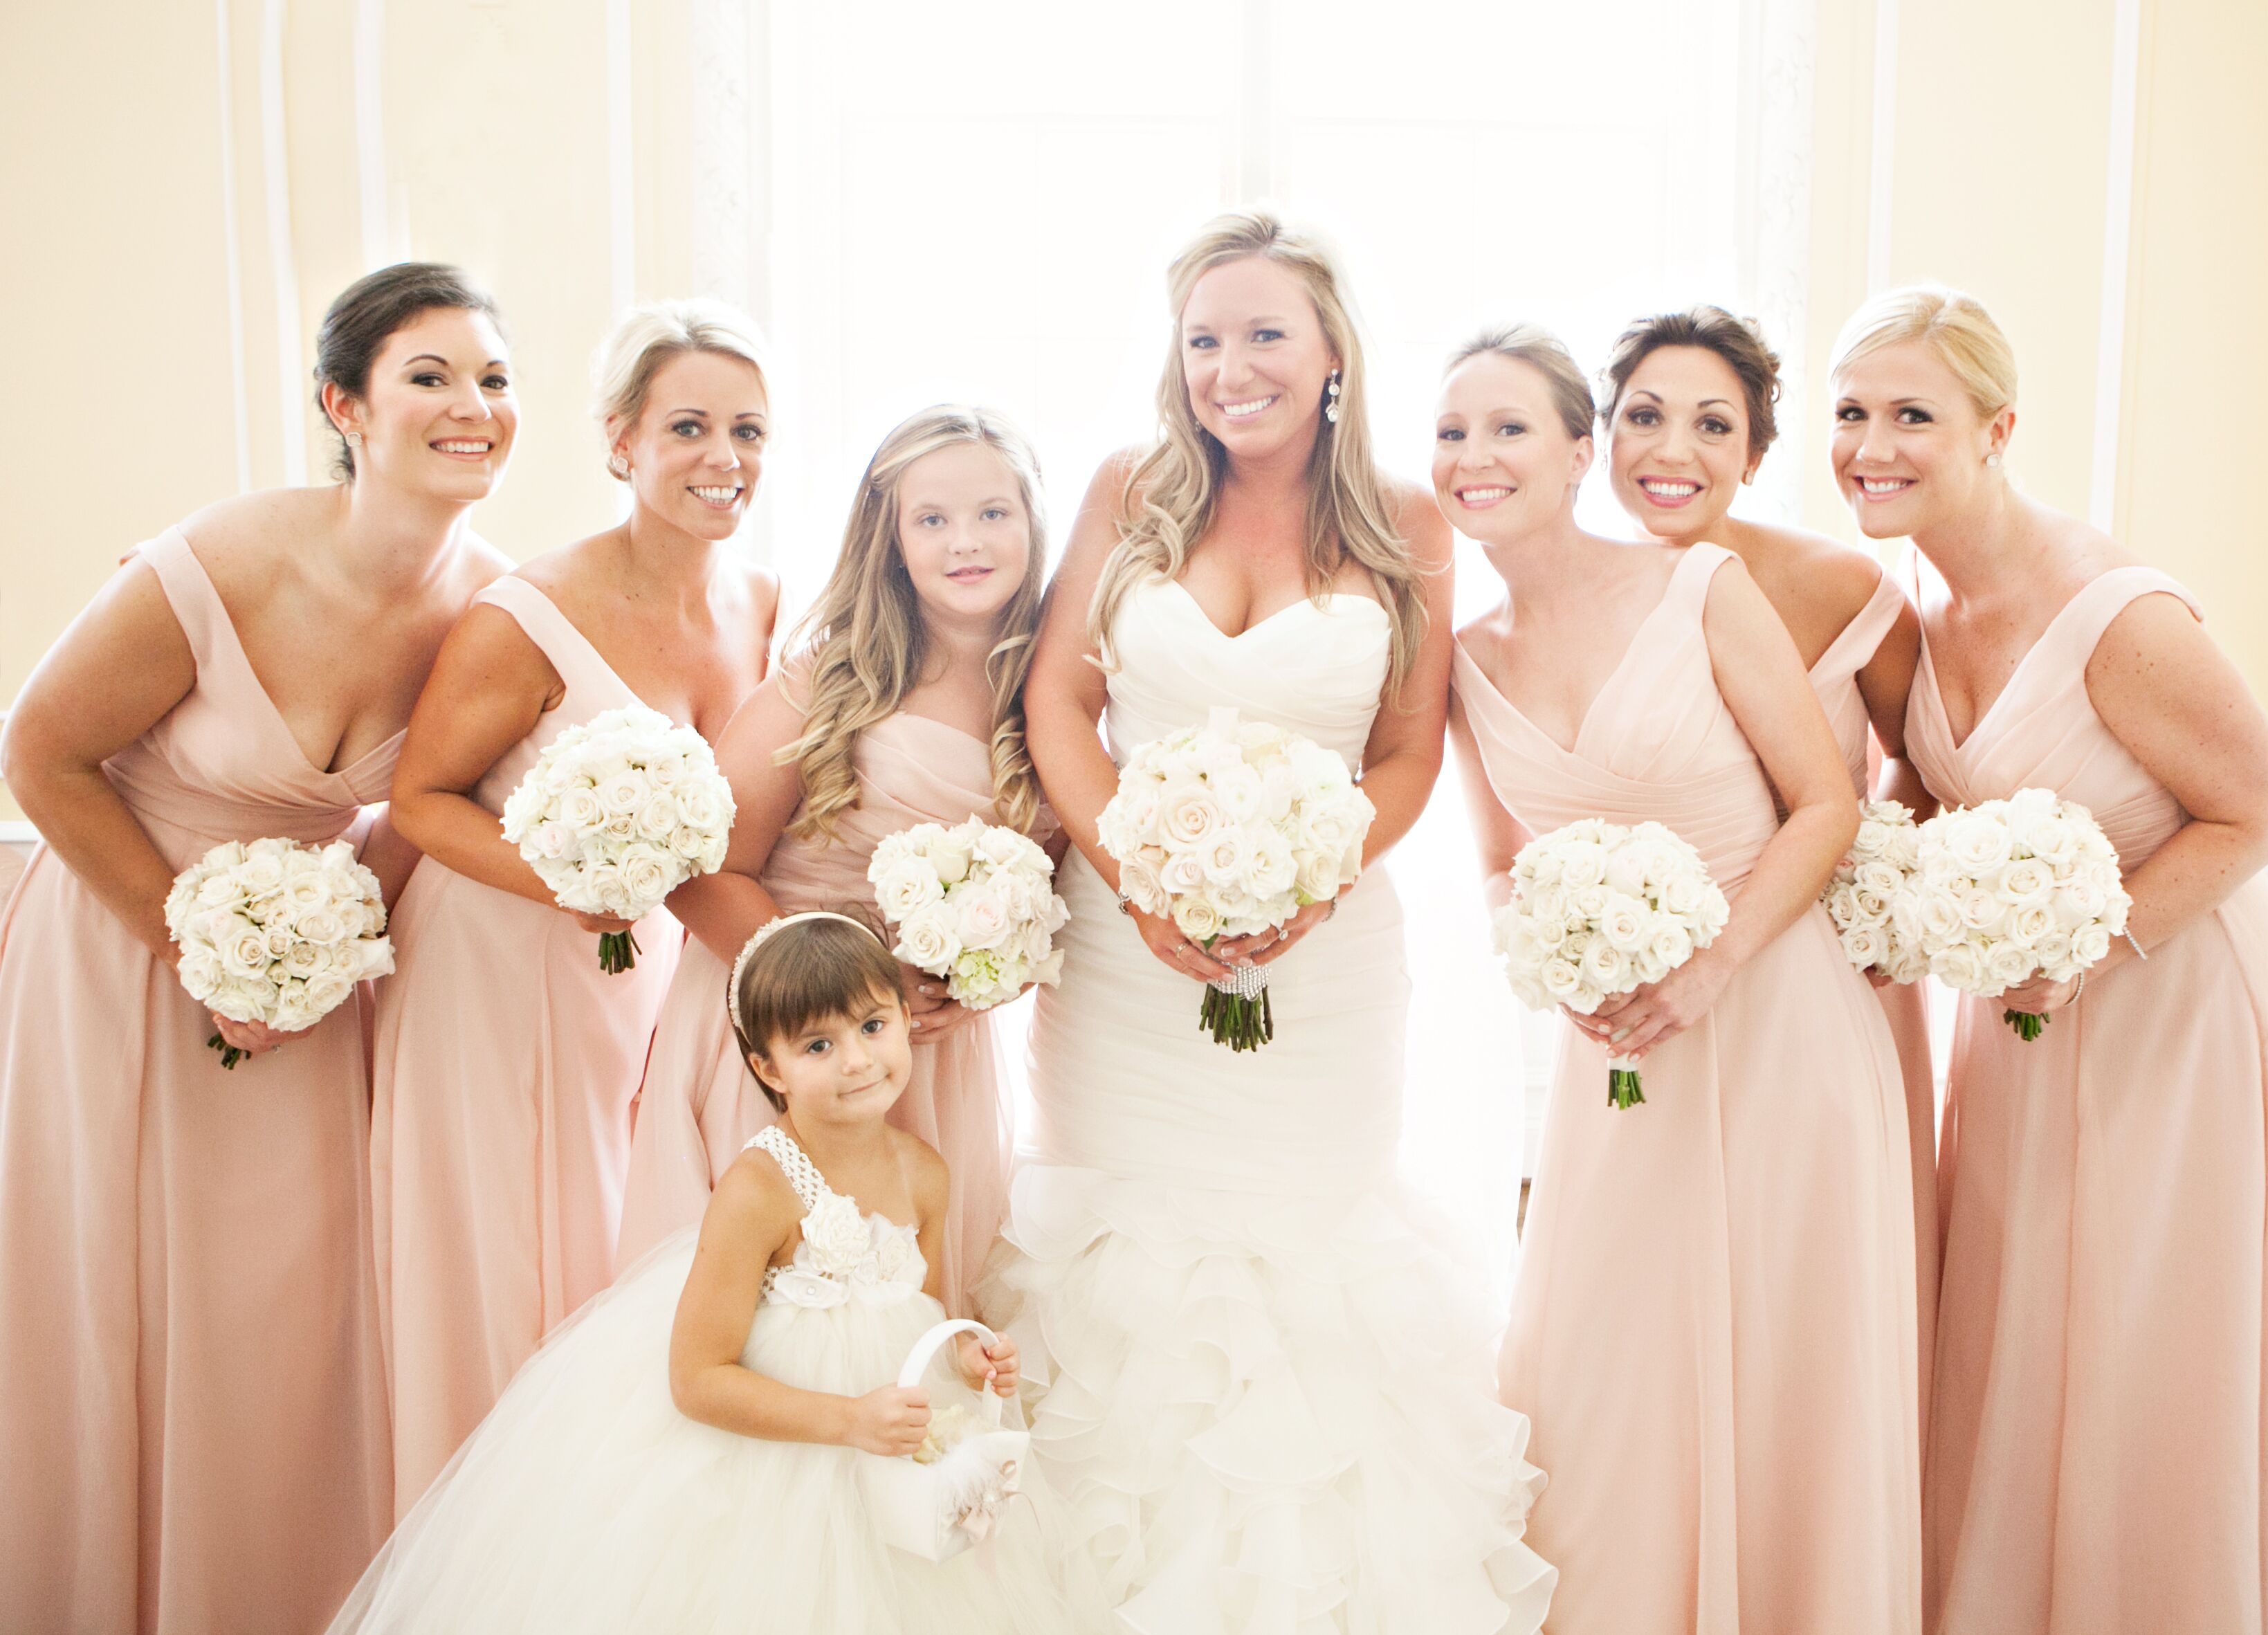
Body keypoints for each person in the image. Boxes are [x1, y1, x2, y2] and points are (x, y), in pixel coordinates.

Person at [975, 211, 1553, 1631]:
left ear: (1332, 349)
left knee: (1308, 1259)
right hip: (1122, 958)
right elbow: (1059, 698)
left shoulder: (1406, 521)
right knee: (1116, 1260)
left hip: (1325, 954)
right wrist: (1136, 871)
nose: (1231, 367)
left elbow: (1405, 750)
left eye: (1264, 333)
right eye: (1204, 339)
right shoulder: (1130, 488)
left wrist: (1310, 879)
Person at [0, 263, 516, 1632]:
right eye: (429, 375)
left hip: (305, 979)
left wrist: (329, 938)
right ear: (346, 405)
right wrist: (193, 952)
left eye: (493, 378)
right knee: (117, 1294)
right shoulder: (218, 560)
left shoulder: (491, 604)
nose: (471, 405)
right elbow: (41, 753)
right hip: (123, 942)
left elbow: (424, 806)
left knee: (282, 1313)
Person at [1833, 284, 2268, 1634]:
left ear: (1995, 428)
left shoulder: (2107, 609)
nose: (1867, 443)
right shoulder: (1924, 613)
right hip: (2021, 1010)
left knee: (2138, 1325)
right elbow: (1934, 802)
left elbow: (2257, 811)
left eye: (1908, 414)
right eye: (1849, 411)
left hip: (2168, 995)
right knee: (2020, 1306)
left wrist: (2091, 947)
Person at [1441, 323, 1921, 1632]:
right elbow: (1498, 859)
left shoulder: (1701, 592)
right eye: (1449, 434)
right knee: (1609, 1348)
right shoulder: (1462, 656)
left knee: (1784, 1348)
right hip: (1617, 1051)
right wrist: (1557, 966)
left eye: (1508, 430)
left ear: (1573, 451)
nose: (1475, 457)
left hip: (1773, 1013)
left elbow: (1826, 803)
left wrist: (1708, 967)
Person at [328, 911, 1097, 1634]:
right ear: (768, 1065)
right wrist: (848, 1421)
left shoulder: (925, 1171)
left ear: (904, 1017)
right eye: (817, 1045)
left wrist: (965, 1353)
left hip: (891, 1450)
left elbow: (928, 1305)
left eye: (871, 1026)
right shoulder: (761, 1187)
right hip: (783, 1452)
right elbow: (697, 1378)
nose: (858, 1059)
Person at [372, 298, 780, 1515]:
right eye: (690, 427)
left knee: (618, 1258)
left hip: (638, 983)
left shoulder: (759, 601)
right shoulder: (527, 615)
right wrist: (585, 879)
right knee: (506, 1266)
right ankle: (491, 1541)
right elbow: (421, 798)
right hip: (493, 973)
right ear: (620, 442)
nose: (725, 459)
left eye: (750, 431)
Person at [620, 405, 1059, 1317]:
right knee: (778, 1317)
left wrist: (987, 971)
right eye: (931, 519)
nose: (965, 541)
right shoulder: (833, 674)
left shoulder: (1056, 687)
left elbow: (1051, 894)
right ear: (891, 538)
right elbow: (703, 874)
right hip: (787, 1022)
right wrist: (853, 992)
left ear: (1033, 520)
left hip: (934, 1052)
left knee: (917, 1323)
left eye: (992, 512)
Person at [1601, 306, 1940, 1432]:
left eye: (1711, 424)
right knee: (1651, 1292)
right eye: (1642, 416)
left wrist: (1868, 901)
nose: (1671, 450)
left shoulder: (1844, 588)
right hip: (1650, 988)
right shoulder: (1575, 598)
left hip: (1808, 984)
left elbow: (1923, 769)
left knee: (1801, 1286)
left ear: (1752, 456)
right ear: (1600, 436)